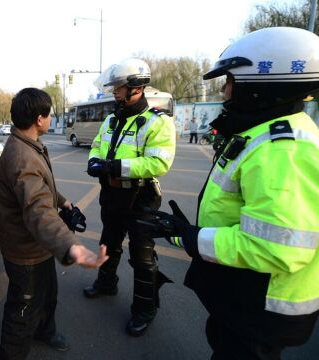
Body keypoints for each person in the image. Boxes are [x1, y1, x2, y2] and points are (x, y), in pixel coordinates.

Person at [149, 27, 319, 359]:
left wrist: (195, 239)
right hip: (246, 296)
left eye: (231, 81)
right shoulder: (265, 132)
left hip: (262, 305)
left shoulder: (285, 149)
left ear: (258, 87)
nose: (224, 91)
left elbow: (274, 247)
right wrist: (182, 234)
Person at [0, 88, 108, 359]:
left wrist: (63, 201)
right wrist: (73, 248)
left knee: (47, 297)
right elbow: (38, 212)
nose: (50, 120)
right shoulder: (22, 158)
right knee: (21, 312)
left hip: (40, 248)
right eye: (48, 115)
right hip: (26, 254)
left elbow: (42, 187)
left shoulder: (29, 145)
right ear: (39, 119)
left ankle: (44, 331)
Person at [84, 58, 177, 336]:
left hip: (141, 197)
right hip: (112, 194)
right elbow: (98, 145)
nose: (114, 90)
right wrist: (94, 161)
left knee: (142, 256)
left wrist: (115, 167)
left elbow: (158, 163)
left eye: (119, 86)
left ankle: (144, 309)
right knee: (109, 242)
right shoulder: (112, 118)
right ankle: (106, 283)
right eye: (113, 86)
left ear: (136, 87)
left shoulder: (157, 122)